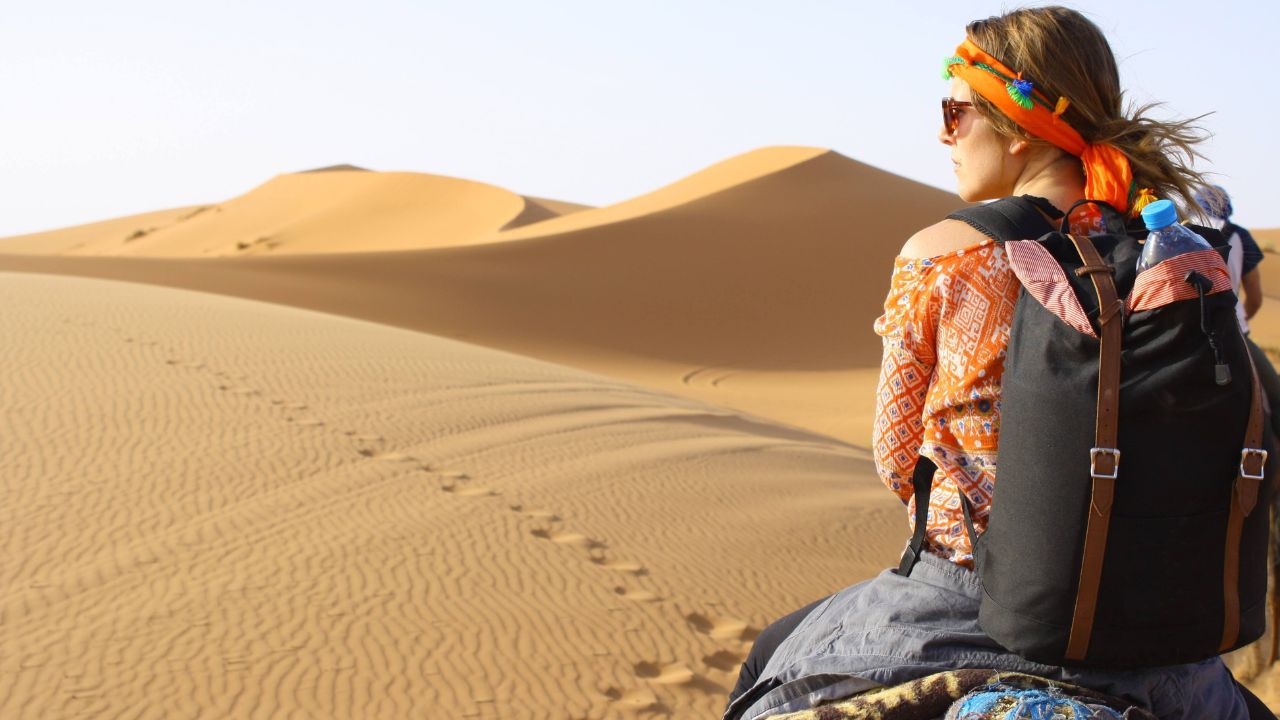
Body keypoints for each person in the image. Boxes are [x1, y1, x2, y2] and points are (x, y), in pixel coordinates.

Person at [723, 7, 1276, 720]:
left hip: (967, 606)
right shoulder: (1172, 254)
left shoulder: (944, 251)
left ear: (1020, 126)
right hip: (1166, 626)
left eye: (954, 113)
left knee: (770, 660)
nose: (942, 134)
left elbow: (897, 459)